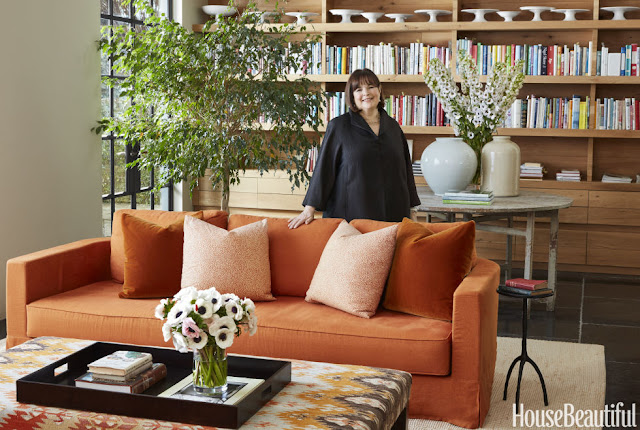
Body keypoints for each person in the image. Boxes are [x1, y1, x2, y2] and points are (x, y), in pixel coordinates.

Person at [288, 68, 420, 229]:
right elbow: (324, 168)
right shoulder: (339, 126)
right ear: (352, 96)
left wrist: (412, 208)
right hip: (352, 215)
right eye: (358, 89)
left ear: (379, 90)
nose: (366, 93)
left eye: (371, 87)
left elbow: (405, 170)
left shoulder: (393, 127)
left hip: (392, 214)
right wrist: (309, 209)